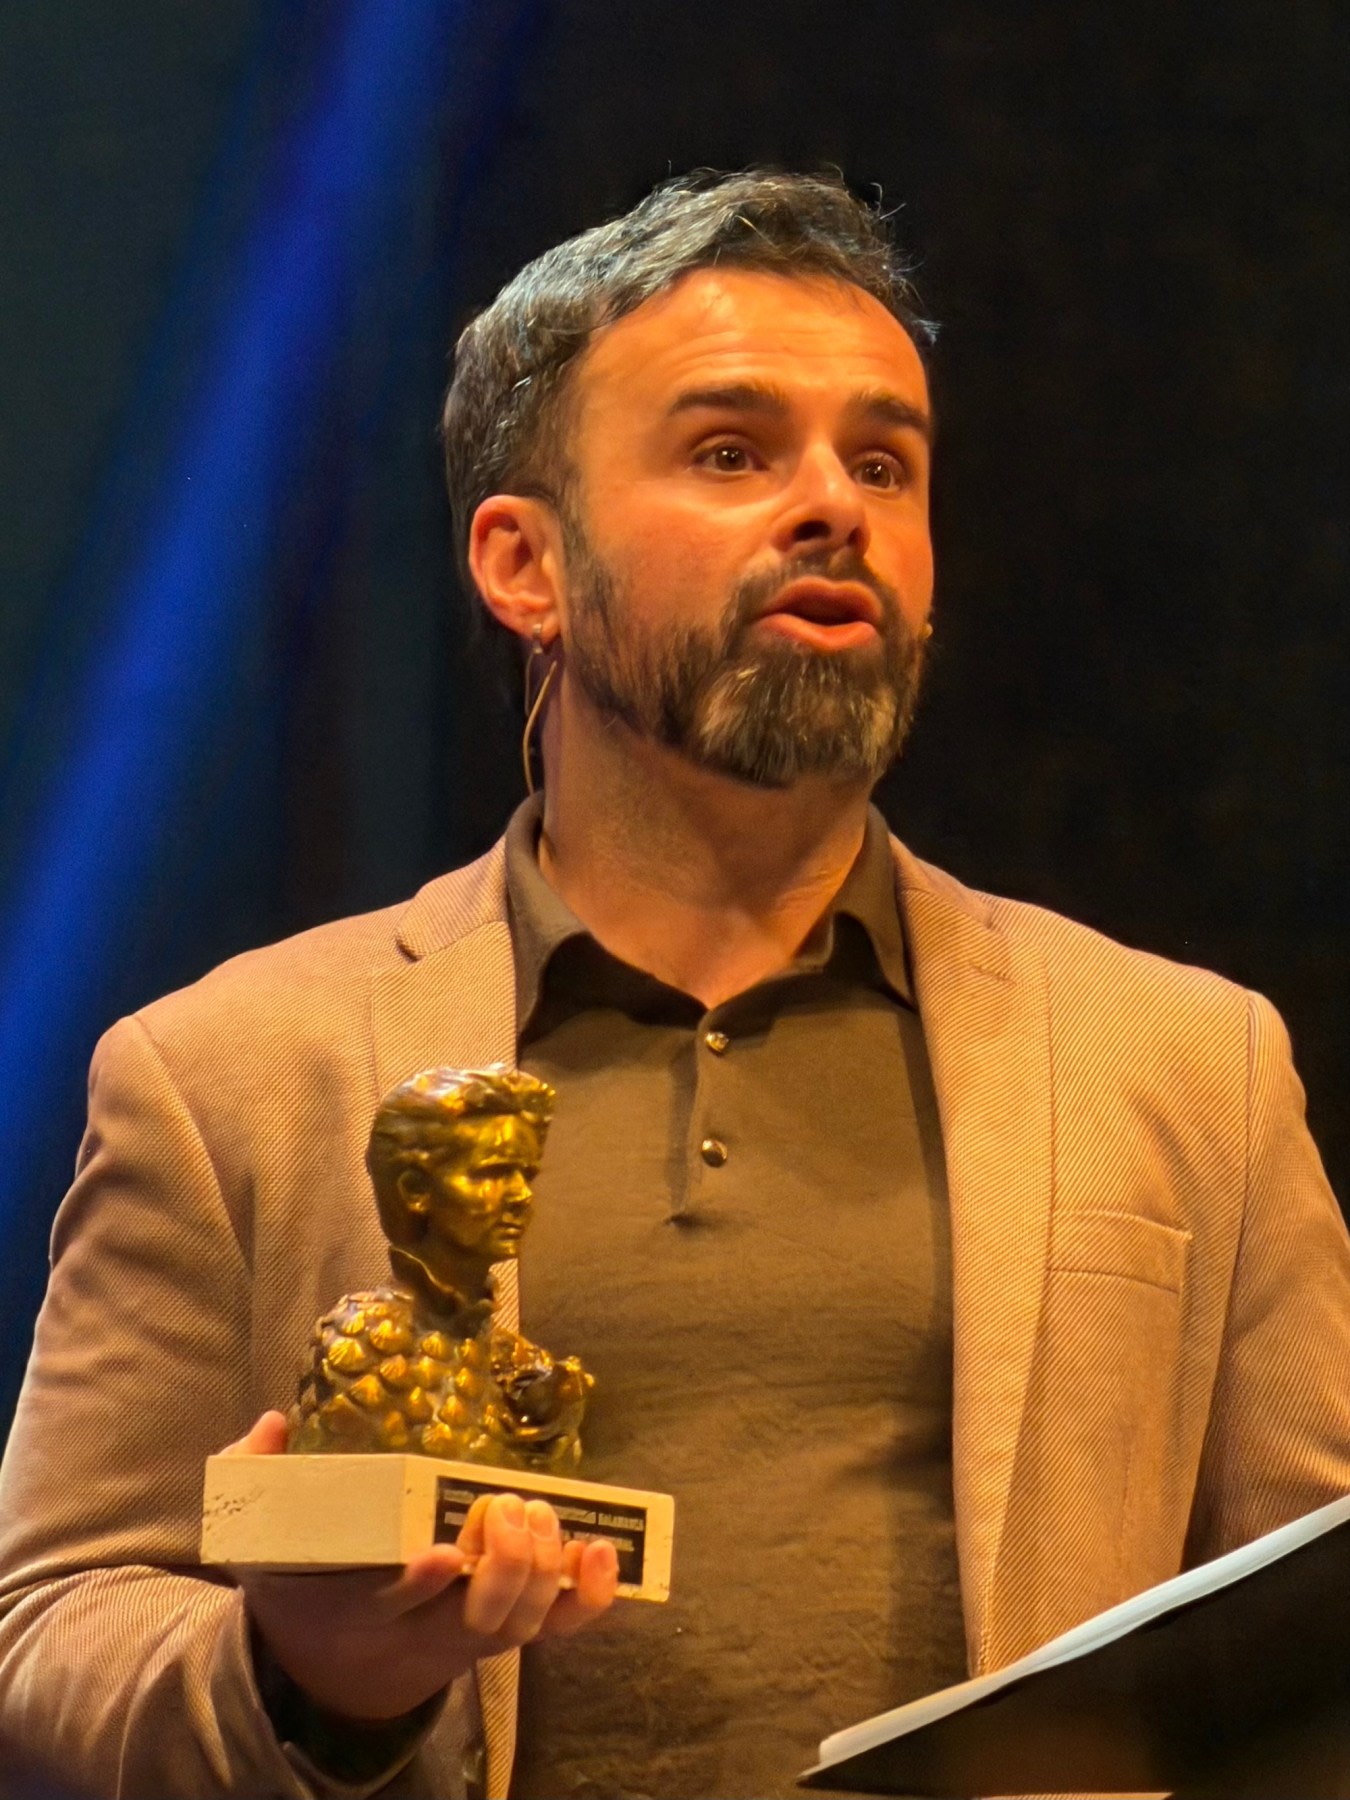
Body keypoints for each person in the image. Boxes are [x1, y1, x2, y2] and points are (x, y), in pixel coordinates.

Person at [2, 167, 1349, 1800]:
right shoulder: (229, 1071)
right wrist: (308, 1680)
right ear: (525, 564)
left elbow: (1315, 1641)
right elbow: (47, 1626)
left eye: (882, 462)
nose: (832, 506)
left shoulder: (1183, 1061)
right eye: (729, 452)